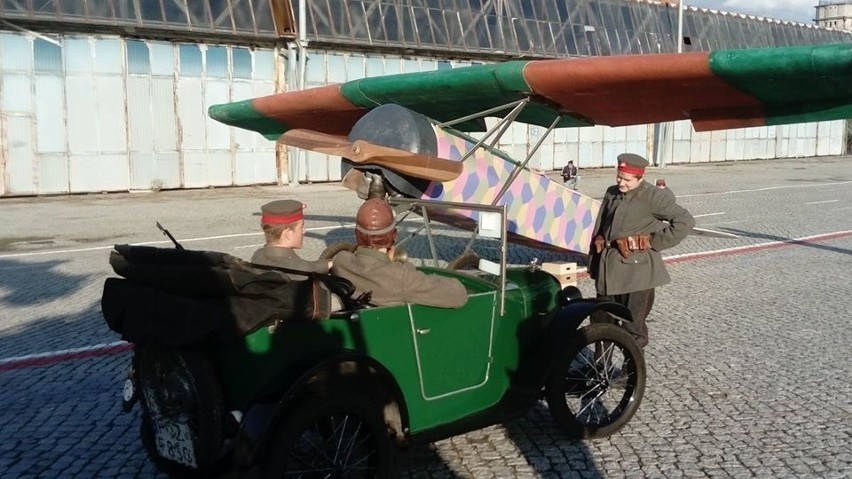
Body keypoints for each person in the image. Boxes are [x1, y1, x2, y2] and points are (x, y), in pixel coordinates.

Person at [588, 153, 695, 348]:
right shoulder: (611, 192)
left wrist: (653, 242)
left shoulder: (652, 197)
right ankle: (599, 371)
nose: (621, 183)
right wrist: (594, 262)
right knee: (601, 323)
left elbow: (685, 221)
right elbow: (600, 228)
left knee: (633, 329)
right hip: (608, 270)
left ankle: (632, 375)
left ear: (640, 177)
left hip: (637, 274)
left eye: (627, 180)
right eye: (619, 177)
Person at [331, 198, 468, 308]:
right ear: (394, 235)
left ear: (356, 235)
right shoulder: (401, 278)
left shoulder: (341, 262)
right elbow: (458, 294)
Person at [251, 199, 332, 279]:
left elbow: (309, 267)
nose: (304, 231)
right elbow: (303, 268)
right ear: (287, 234)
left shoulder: (257, 257)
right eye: (301, 226)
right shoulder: (301, 272)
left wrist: (324, 265)